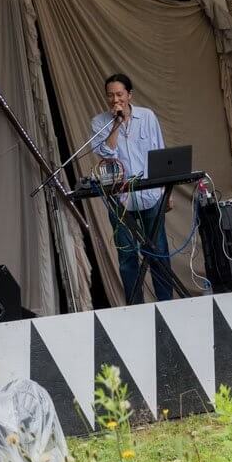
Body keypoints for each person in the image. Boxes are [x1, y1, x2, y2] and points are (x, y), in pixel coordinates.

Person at [91, 73, 175, 304]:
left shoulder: (147, 117)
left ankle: (166, 303)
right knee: (127, 256)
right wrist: (116, 124)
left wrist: (167, 192)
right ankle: (135, 307)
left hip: (151, 196)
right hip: (121, 201)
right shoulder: (100, 123)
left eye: (119, 94)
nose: (115, 99)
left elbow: (160, 152)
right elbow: (105, 155)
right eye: (110, 95)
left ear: (129, 95)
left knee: (158, 252)